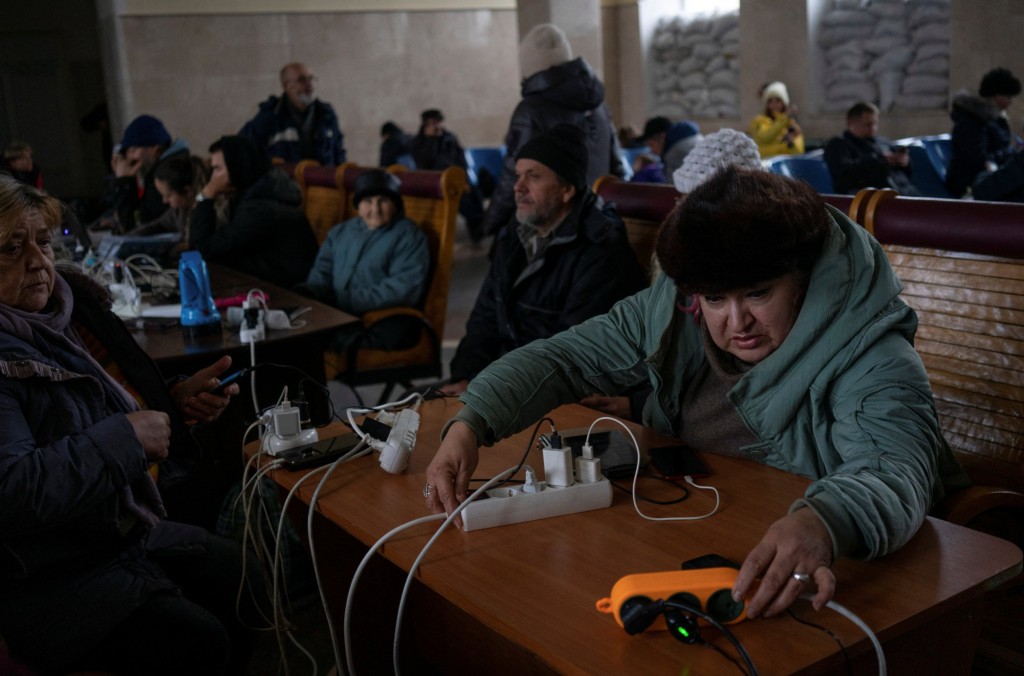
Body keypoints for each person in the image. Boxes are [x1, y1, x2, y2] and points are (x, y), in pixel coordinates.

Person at [425, 166, 969, 621]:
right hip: (697, 534)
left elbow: (892, 468)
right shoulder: (671, 312)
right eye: (716, 299)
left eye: (759, 293)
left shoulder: (873, 354)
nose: (738, 322)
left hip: (838, 583)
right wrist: (472, 421)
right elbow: (563, 357)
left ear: (801, 276)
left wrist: (823, 521)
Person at [0, 174, 264, 674]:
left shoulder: (67, 314)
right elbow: (11, 488)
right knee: (197, 641)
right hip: (41, 570)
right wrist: (126, 438)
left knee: (239, 572)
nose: (38, 262)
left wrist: (171, 401)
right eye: (12, 248)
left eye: (43, 242)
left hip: (108, 531)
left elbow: (95, 405)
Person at [438, 124, 646, 397]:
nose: (518, 187)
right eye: (518, 175)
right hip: (502, 383)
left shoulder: (600, 250)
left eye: (533, 177)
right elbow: (485, 316)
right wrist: (465, 376)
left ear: (567, 189)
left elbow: (572, 352)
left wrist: (487, 389)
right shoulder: (515, 233)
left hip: (552, 398)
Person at [482, 23, 627, 236]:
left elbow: (514, 173)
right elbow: (617, 166)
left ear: (528, 65)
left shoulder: (531, 110)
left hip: (551, 222)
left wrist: (492, 222)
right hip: (597, 220)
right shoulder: (598, 104)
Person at [300, 169, 430, 351]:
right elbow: (323, 270)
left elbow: (403, 289)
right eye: (368, 201)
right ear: (358, 206)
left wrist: (343, 300)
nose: (375, 209)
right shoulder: (341, 232)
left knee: (309, 344)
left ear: (396, 205)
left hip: (380, 321)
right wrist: (312, 293)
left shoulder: (409, 236)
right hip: (338, 314)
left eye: (383, 201)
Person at [188, 135, 318, 288]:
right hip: (266, 284)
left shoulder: (261, 206)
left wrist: (207, 195)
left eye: (217, 169)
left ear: (237, 166)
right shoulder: (257, 193)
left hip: (289, 293)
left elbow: (201, 250)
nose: (213, 178)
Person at [239, 62, 346, 166]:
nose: (310, 84)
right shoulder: (270, 116)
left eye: (311, 78)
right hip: (286, 183)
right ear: (286, 86)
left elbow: (338, 153)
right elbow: (243, 147)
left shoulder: (326, 114)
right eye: (302, 80)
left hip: (322, 183)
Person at [410, 108, 485, 242]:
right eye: (433, 123)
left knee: (474, 197)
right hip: (436, 183)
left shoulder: (449, 138)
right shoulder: (419, 142)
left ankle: (478, 232)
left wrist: (464, 180)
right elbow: (423, 164)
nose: (437, 125)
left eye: (438, 122)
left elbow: (460, 160)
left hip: (456, 179)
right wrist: (431, 140)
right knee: (460, 201)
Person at [947, 67, 1022, 198]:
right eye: (1008, 96)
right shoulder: (973, 120)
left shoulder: (995, 119)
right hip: (970, 182)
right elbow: (976, 157)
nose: (1010, 102)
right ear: (995, 95)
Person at [109, 114, 189, 232]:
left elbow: (136, 224)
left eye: (133, 150)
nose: (129, 158)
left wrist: (123, 182)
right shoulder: (161, 167)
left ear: (155, 149)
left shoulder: (166, 174)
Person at [823, 102, 920, 196]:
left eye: (875, 124)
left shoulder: (882, 141)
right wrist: (882, 162)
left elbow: (908, 172)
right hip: (873, 197)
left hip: (905, 191)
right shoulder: (839, 144)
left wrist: (904, 161)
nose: (873, 128)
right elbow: (845, 175)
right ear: (851, 123)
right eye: (867, 125)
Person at [133, 153, 210, 238]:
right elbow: (158, 225)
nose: (164, 201)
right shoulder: (178, 211)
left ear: (187, 192)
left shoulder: (207, 212)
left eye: (169, 195)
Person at [748, 81, 804, 158]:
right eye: (770, 101)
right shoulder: (759, 121)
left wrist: (791, 143)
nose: (774, 105)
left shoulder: (791, 125)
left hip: (783, 166)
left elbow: (799, 152)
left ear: (784, 103)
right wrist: (784, 118)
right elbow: (764, 138)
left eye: (778, 101)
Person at [640, 116, 702, 180]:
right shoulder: (694, 138)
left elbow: (671, 188)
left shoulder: (675, 153)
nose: (651, 151)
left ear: (662, 137)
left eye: (651, 145)